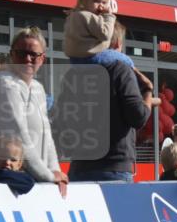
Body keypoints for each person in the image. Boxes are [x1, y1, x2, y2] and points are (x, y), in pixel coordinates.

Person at [55, 20, 157, 183]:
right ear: (117, 42)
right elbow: (138, 117)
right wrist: (147, 91)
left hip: (79, 168)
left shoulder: (74, 74)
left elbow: (61, 119)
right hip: (113, 168)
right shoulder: (120, 69)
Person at [0, 26, 68, 195]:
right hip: (11, 184)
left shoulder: (37, 88)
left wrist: (55, 171)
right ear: (12, 55)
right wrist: (49, 175)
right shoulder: (4, 85)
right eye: (21, 53)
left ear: (42, 59)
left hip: (34, 182)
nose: (28, 59)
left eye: (34, 55)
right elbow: (19, 137)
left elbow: (47, 136)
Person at [63, 0, 155, 95]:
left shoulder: (74, 16)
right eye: (96, 1)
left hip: (75, 61)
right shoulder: (88, 16)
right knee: (123, 58)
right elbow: (105, 34)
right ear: (84, 0)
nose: (101, 6)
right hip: (90, 58)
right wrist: (109, 16)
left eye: (104, 2)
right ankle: (141, 80)